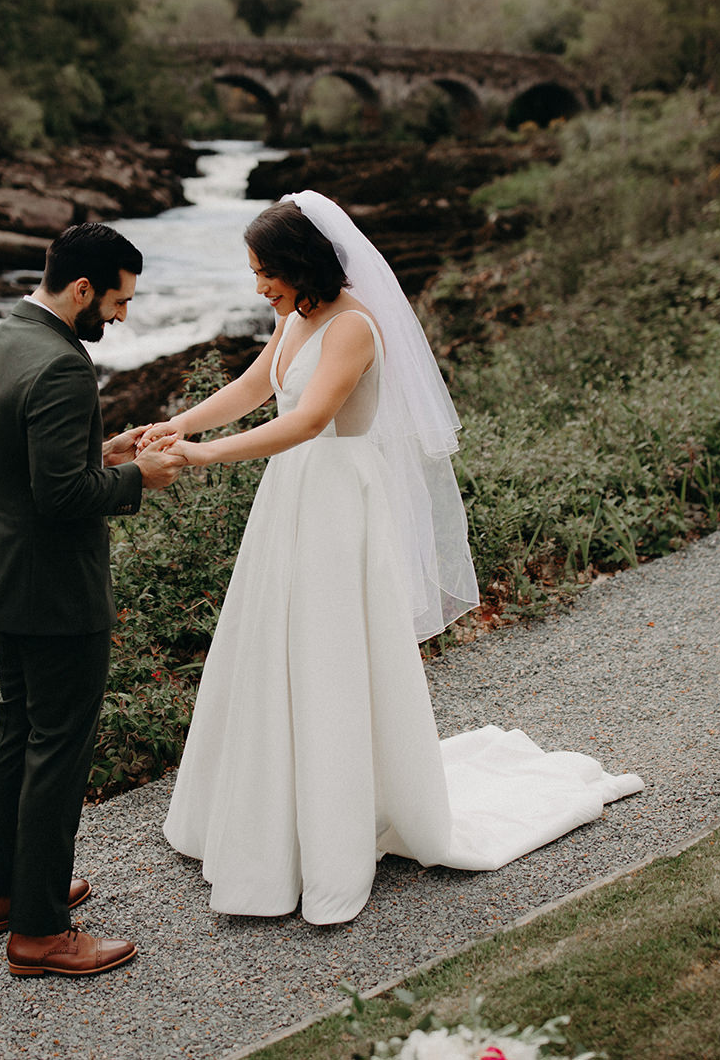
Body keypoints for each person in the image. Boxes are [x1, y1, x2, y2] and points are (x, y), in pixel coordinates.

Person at [152, 192, 642, 925]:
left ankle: (333, 827)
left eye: (265, 273)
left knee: (331, 656)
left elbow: (311, 418)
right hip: (292, 495)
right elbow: (258, 387)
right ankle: (273, 814)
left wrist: (203, 457)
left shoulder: (353, 326)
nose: (259, 288)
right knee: (274, 648)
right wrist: (176, 424)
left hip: (337, 498)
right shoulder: (297, 315)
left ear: (300, 263)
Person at [0, 222, 184, 976]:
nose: (122, 316)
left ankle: (9, 895)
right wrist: (139, 479)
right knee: (58, 749)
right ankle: (41, 932)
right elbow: (61, 497)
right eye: (118, 301)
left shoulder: (4, 338)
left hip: (6, 574)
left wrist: (105, 449)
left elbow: (33, 465)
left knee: (19, 736)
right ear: (83, 288)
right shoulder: (61, 366)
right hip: (57, 588)